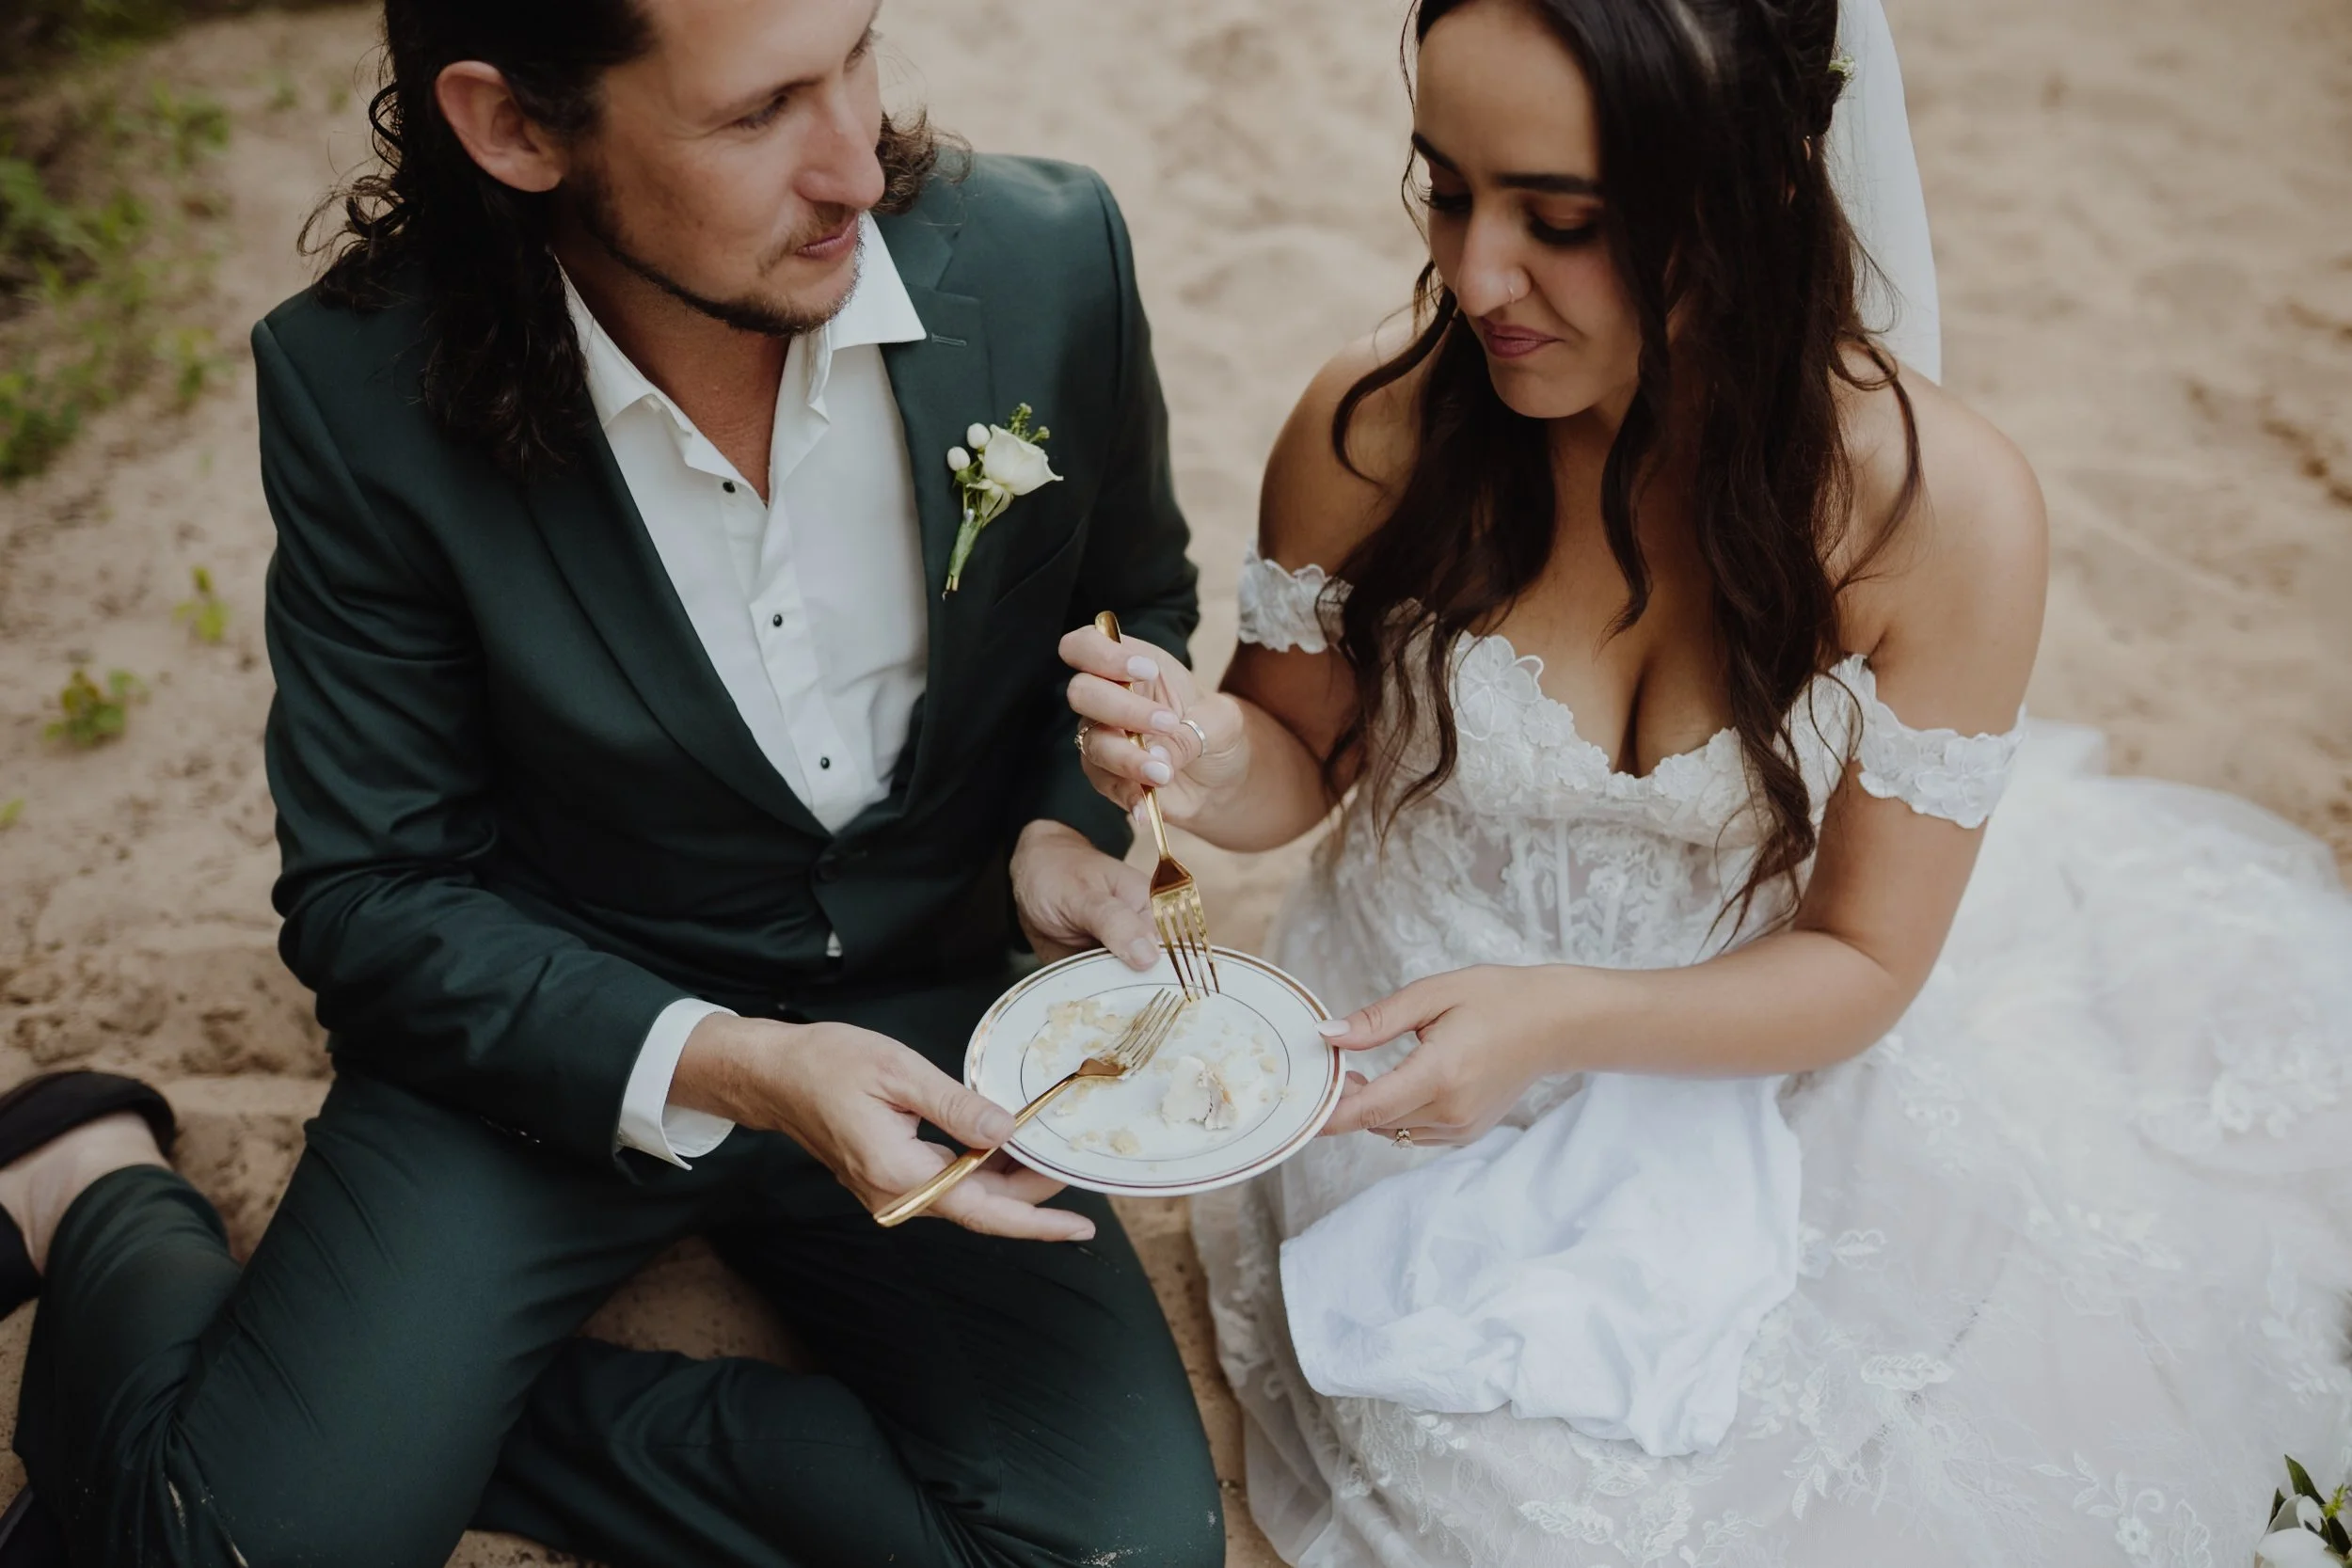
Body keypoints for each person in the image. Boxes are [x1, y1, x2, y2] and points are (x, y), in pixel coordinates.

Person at [1059, 0, 2352, 1561]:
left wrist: (1561, 1013)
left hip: (1766, 1036)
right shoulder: (1375, 432)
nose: (1476, 278)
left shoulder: (1939, 518)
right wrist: (1200, 755)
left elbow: (1866, 953)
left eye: (1565, 220)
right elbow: (1299, 761)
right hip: (1402, 1062)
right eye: (1448, 187)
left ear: (1743, 198)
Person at [0, 2, 1227, 1565]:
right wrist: (736, 1064)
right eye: (759, 110)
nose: (859, 159)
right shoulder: (355, 388)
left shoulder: (1055, 255)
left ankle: (449, 1428)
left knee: (1124, 1553)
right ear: (515, 128)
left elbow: (1130, 596)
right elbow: (376, 899)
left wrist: (1058, 820)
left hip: (931, 1018)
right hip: (547, 1038)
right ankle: (89, 1176)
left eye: (856, 50)